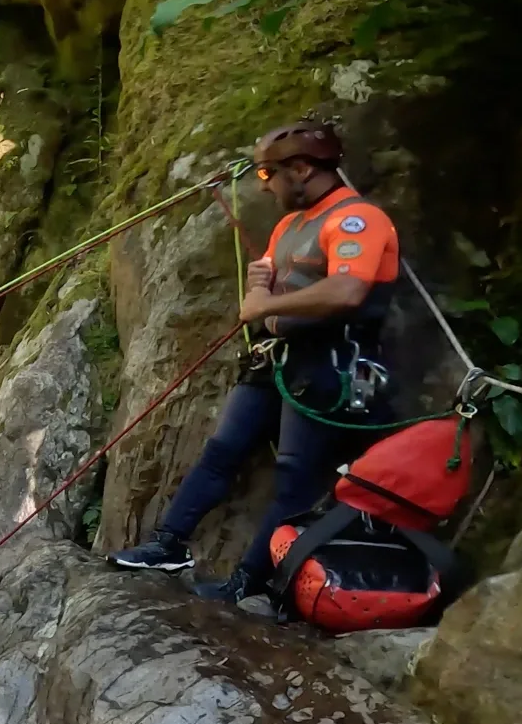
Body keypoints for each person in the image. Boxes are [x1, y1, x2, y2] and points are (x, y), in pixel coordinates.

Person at [108, 121, 400, 604]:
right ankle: (168, 545)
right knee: (223, 449)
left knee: (294, 476)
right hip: (278, 357)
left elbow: (348, 290)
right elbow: (265, 292)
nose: (264, 185)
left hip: (331, 362)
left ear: (302, 169)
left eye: (270, 174)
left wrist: (263, 306)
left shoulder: (356, 220)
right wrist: (261, 295)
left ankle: (248, 583)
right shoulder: (289, 226)